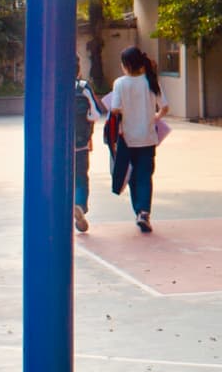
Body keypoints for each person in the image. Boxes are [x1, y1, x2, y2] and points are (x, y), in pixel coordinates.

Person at [103, 45, 168, 233]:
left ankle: (138, 211)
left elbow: (115, 109)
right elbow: (164, 107)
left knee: (131, 177)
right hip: (148, 138)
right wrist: (154, 117)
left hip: (127, 139)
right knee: (145, 177)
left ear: (126, 65)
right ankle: (145, 212)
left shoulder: (120, 84)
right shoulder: (151, 81)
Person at [71, 65, 107, 233]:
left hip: (58, 147)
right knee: (80, 178)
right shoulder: (83, 87)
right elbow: (97, 113)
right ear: (79, 69)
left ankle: (61, 210)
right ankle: (79, 205)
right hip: (80, 143)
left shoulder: (54, 86)